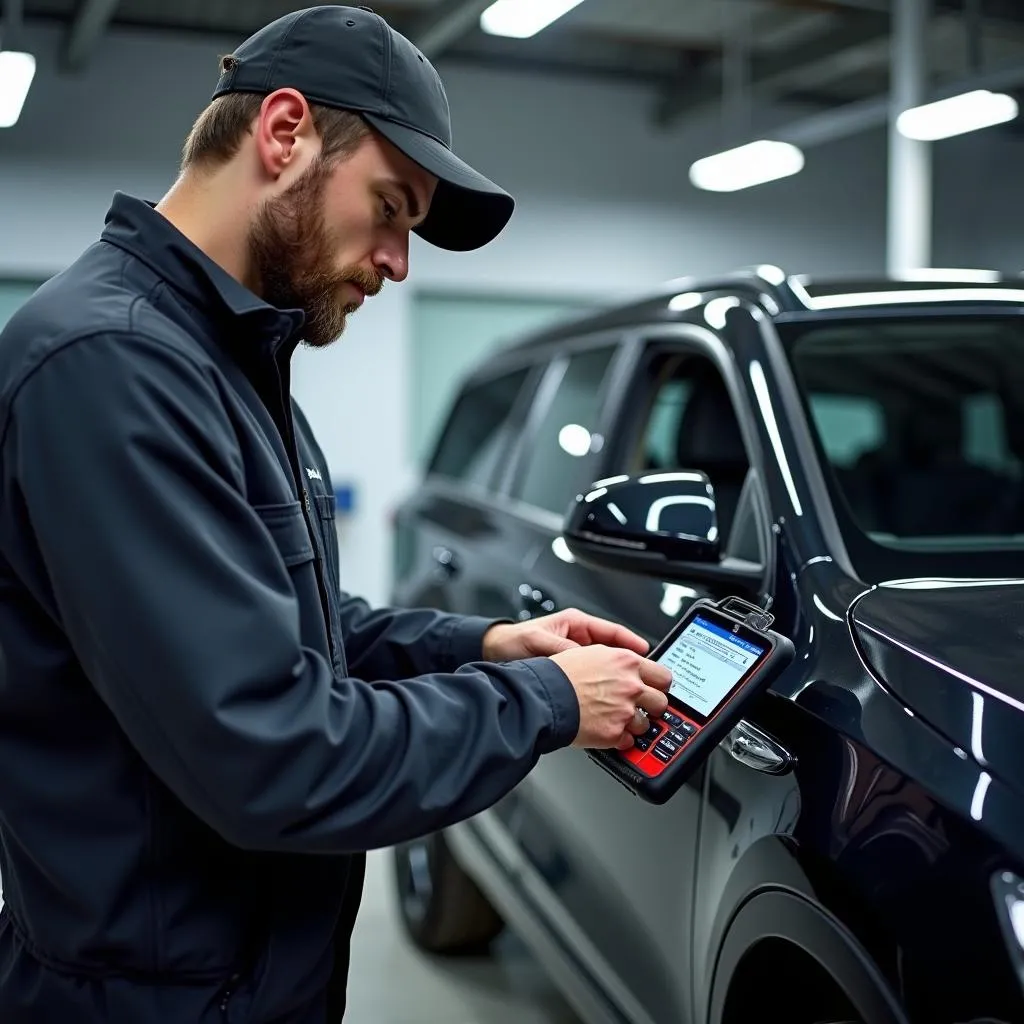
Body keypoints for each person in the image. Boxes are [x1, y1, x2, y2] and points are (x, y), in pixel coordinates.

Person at [0, 6, 673, 1023]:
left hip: (238, 971)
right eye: (392, 208)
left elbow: (295, 632)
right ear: (283, 133)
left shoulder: (225, 363)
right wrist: (543, 701)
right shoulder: (114, 367)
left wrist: (486, 644)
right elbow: (274, 753)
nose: (399, 262)